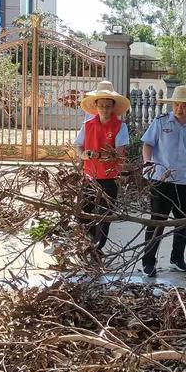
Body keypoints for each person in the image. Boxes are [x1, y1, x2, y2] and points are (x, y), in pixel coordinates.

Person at [140, 85, 186, 277]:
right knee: (157, 220)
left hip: (185, 181)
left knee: (182, 221)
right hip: (161, 179)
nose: (179, 108)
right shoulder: (160, 122)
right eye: (176, 105)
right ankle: (148, 261)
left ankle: (177, 258)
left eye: (183, 105)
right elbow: (147, 144)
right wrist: (147, 163)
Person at [75, 80, 131, 255]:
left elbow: (119, 152)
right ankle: (93, 244)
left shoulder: (120, 127)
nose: (105, 109)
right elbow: (78, 147)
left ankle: (98, 247)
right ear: (96, 106)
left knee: (106, 216)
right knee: (82, 213)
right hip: (90, 175)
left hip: (110, 177)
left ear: (113, 107)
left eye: (108, 106)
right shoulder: (87, 125)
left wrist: (99, 155)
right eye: (101, 106)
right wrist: (83, 154)